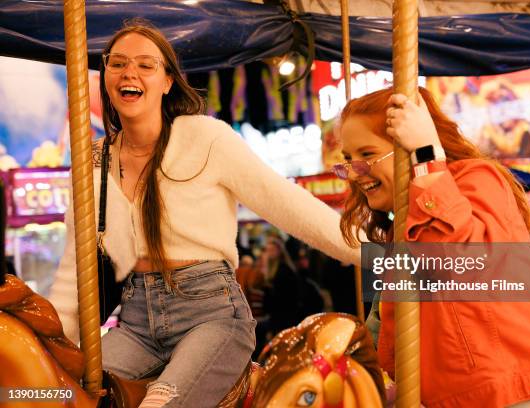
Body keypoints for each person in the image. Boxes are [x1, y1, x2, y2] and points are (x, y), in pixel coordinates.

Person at [49, 20, 359, 408]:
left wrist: (377, 256)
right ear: (106, 76)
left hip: (211, 314)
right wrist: (50, 348)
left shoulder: (206, 139)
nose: (130, 72)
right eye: (118, 63)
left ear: (167, 81)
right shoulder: (93, 162)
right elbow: (74, 273)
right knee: (62, 397)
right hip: (136, 321)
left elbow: (289, 205)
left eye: (146, 65)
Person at [335, 87, 530, 407]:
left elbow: (458, 263)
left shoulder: (477, 180)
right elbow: (392, 327)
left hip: (513, 393)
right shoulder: (410, 221)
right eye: (347, 160)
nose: (354, 173)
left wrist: (425, 155)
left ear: (406, 142)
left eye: (367, 155)